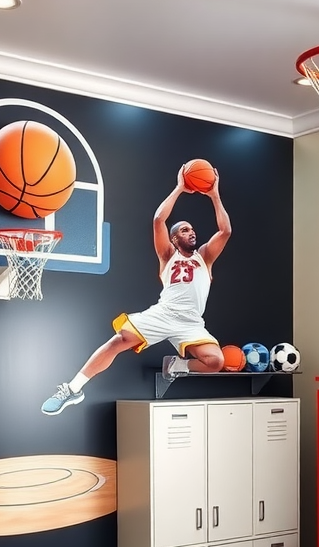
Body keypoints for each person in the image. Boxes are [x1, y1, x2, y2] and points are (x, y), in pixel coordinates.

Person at [41, 165, 232, 415]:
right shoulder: (167, 256)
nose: (191, 232)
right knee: (118, 340)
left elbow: (225, 230)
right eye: (184, 229)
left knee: (216, 362)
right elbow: (158, 220)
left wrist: (214, 194)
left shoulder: (205, 257)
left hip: (191, 323)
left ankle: (176, 366)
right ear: (174, 239)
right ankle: (73, 388)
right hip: (164, 314)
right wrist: (179, 188)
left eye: (193, 229)